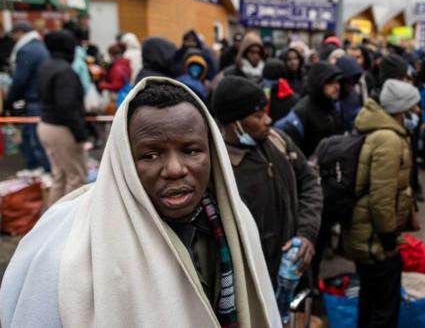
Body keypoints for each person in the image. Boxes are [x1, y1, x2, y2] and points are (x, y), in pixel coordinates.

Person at [0, 78, 280, 328]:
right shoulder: (68, 247)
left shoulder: (234, 222)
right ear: (123, 160)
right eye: (150, 155)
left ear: (213, 153)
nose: (174, 169)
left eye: (191, 150)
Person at [211, 76, 322, 288]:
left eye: (266, 112)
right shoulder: (220, 170)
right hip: (255, 282)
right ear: (235, 124)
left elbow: (309, 182)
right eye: (258, 115)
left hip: (291, 269)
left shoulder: (277, 140)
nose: (268, 120)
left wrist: (306, 233)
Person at [342, 79, 419, 328]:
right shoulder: (389, 140)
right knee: (384, 309)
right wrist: (388, 241)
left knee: (370, 299)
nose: (416, 112)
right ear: (401, 109)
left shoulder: (378, 130)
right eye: (413, 107)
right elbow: (381, 198)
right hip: (374, 239)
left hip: (364, 232)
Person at [35, 30, 87, 206]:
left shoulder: (46, 65)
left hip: (46, 125)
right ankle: (70, 224)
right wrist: (81, 134)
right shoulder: (65, 71)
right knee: (76, 177)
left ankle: (51, 222)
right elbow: (67, 107)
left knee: (59, 176)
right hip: (62, 128)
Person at [5, 21, 50, 171]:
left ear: (19, 32)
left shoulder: (26, 50)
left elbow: (20, 80)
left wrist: (8, 102)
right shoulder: (40, 46)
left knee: (33, 142)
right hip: (42, 99)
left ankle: (37, 177)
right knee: (40, 143)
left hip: (32, 101)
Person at [280, 61, 343, 157]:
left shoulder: (333, 104)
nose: (337, 86)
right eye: (330, 82)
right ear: (319, 83)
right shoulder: (302, 112)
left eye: (337, 82)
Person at [335, 55, 366, 133]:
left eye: (354, 80)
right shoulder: (333, 95)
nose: (351, 84)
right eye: (348, 81)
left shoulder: (353, 93)